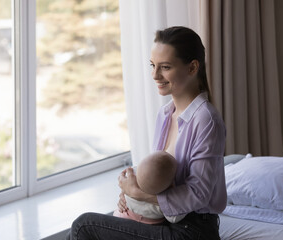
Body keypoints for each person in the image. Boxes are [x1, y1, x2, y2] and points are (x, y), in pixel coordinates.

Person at [66, 26, 226, 240]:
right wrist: (129, 191)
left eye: (165, 67)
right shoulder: (165, 114)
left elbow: (199, 194)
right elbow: (158, 173)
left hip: (192, 231)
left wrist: (138, 194)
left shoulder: (206, 120)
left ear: (192, 67)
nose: (155, 75)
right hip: (163, 220)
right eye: (152, 65)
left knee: (83, 227)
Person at [113, 150, 186, 224]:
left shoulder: (132, 176)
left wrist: (124, 192)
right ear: (171, 185)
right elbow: (174, 218)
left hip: (122, 213)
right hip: (144, 225)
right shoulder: (162, 205)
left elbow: (122, 181)